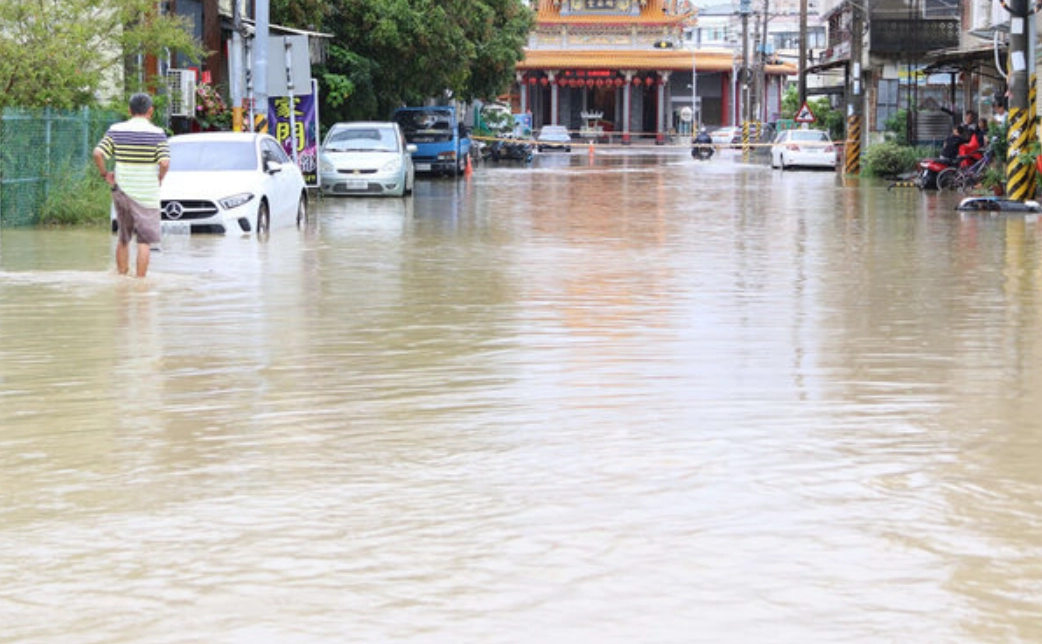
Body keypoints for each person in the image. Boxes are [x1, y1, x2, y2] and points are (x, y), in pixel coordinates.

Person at [93, 92, 170, 278]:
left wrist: (105, 174)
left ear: (129, 110)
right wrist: (160, 177)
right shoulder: (158, 134)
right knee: (144, 242)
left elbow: (97, 153)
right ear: (150, 111)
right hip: (147, 195)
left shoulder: (116, 129)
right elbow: (165, 162)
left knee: (123, 238)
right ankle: (140, 283)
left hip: (123, 192)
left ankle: (121, 278)